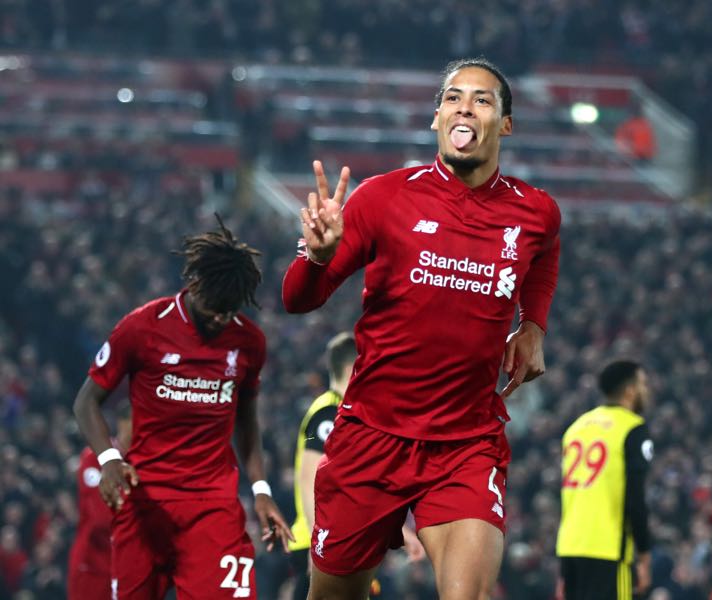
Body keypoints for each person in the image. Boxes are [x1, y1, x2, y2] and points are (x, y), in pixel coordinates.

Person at [282, 57, 561, 600]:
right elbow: (296, 300)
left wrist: (534, 326)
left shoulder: (536, 212)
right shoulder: (384, 198)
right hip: (371, 437)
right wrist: (317, 257)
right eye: (454, 97)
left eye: (483, 99)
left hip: (466, 442)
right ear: (436, 117)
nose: (465, 106)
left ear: (505, 123)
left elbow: (544, 256)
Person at [73, 215, 292, 600]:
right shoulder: (142, 327)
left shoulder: (249, 342)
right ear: (193, 285)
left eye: (229, 311)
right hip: (145, 502)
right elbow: (87, 401)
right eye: (214, 310)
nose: (221, 319)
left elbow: (247, 419)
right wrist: (109, 459)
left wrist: (260, 487)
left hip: (213, 506)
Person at [287, 332, 425, 600]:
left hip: (339, 541)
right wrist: (318, 545)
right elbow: (309, 478)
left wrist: (403, 533)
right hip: (319, 543)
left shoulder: (344, 412)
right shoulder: (328, 413)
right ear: (355, 369)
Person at [556, 360, 654, 600]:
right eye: (642, 384)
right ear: (630, 390)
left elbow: (568, 495)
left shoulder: (576, 428)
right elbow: (635, 498)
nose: (646, 390)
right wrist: (644, 555)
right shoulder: (632, 429)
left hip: (570, 546)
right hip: (608, 548)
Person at [67, 403, 132, 600]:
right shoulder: (95, 457)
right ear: (123, 424)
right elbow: (101, 518)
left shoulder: (145, 461)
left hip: (128, 566)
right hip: (93, 566)